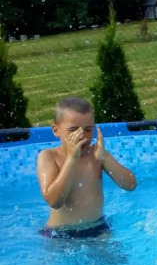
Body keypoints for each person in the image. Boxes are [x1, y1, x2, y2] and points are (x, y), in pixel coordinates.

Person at [36, 97, 137, 238]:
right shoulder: (49, 157)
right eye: (73, 130)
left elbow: (131, 185)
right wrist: (72, 159)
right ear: (56, 130)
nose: (82, 136)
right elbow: (55, 201)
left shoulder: (97, 155)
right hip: (60, 234)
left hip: (98, 227)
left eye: (88, 130)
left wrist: (105, 158)